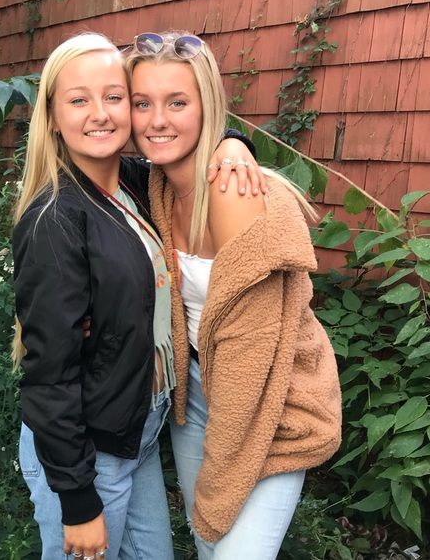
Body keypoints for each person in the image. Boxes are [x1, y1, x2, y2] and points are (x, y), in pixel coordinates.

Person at [11, 32, 264, 560]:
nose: (100, 114)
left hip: (137, 433)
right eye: (78, 100)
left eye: (114, 96)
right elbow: (48, 374)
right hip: (87, 449)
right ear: (52, 116)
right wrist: (78, 501)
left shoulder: (136, 182)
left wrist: (235, 142)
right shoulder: (56, 218)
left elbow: (188, 140)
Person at [125, 31, 342, 559]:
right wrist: (233, 139)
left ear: (207, 106)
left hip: (270, 402)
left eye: (178, 102)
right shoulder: (155, 184)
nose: (157, 120)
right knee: (208, 544)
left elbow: (251, 357)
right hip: (200, 391)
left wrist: (231, 141)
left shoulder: (231, 194)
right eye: (142, 103)